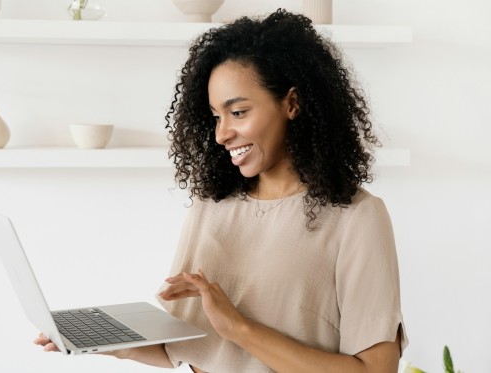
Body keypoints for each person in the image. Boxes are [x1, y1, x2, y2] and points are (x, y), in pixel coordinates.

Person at [36, 9, 408, 372]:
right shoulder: (211, 207)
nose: (222, 133)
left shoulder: (356, 217)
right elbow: (188, 348)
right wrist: (109, 342)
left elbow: (376, 369)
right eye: (216, 116)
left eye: (239, 112)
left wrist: (239, 328)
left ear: (291, 103)